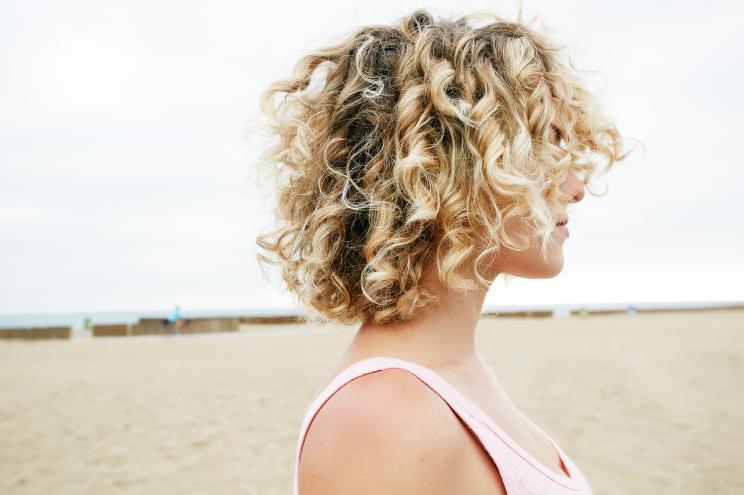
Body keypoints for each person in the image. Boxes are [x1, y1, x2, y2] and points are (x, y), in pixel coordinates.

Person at [253, 8, 629, 495]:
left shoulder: (454, 376)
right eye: (544, 146)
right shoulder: (382, 418)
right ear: (443, 167)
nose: (577, 187)